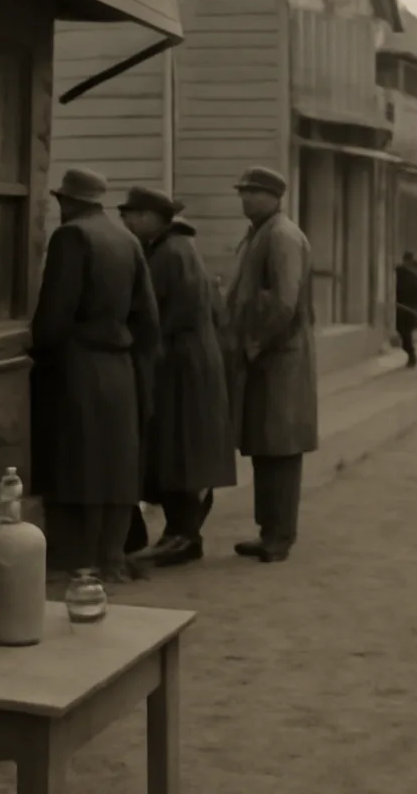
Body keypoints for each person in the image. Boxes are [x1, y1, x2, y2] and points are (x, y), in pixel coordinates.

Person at [29, 167, 160, 583]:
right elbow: (148, 321)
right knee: (116, 465)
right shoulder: (127, 239)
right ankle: (110, 558)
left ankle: (78, 561)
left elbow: (53, 318)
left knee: (77, 463)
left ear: (69, 202)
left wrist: (40, 354)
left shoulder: (72, 237)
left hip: (78, 366)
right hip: (120, 368)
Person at [119, 186, 235, 566]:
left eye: (133, 214)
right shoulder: (179, 249)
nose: (127, 221)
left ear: (153, 218)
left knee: (179, 450)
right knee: (185, 449)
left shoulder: (168, 254)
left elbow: (151, 313)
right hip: (191, 360)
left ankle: (182, 535)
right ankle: (182, 533)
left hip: (180, 364)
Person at [223, 166, 317, 563]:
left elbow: (283, 302)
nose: (245, 198)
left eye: (254, 192)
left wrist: (254, 342)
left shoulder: (281, 236)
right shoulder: (260, 233)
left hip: (280, 358)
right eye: (243, 192)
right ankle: (268, 530)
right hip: (267, 359)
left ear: (275, 197)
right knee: (265, 446)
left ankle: (280, 535)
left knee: (280, 449)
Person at [394, 252, 417, 367]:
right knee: (403, 332)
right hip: (402, 308)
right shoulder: (402, 273)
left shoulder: (412, 276)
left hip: (408, 309)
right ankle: (411, 354)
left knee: (406, 333)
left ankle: (412, 355)